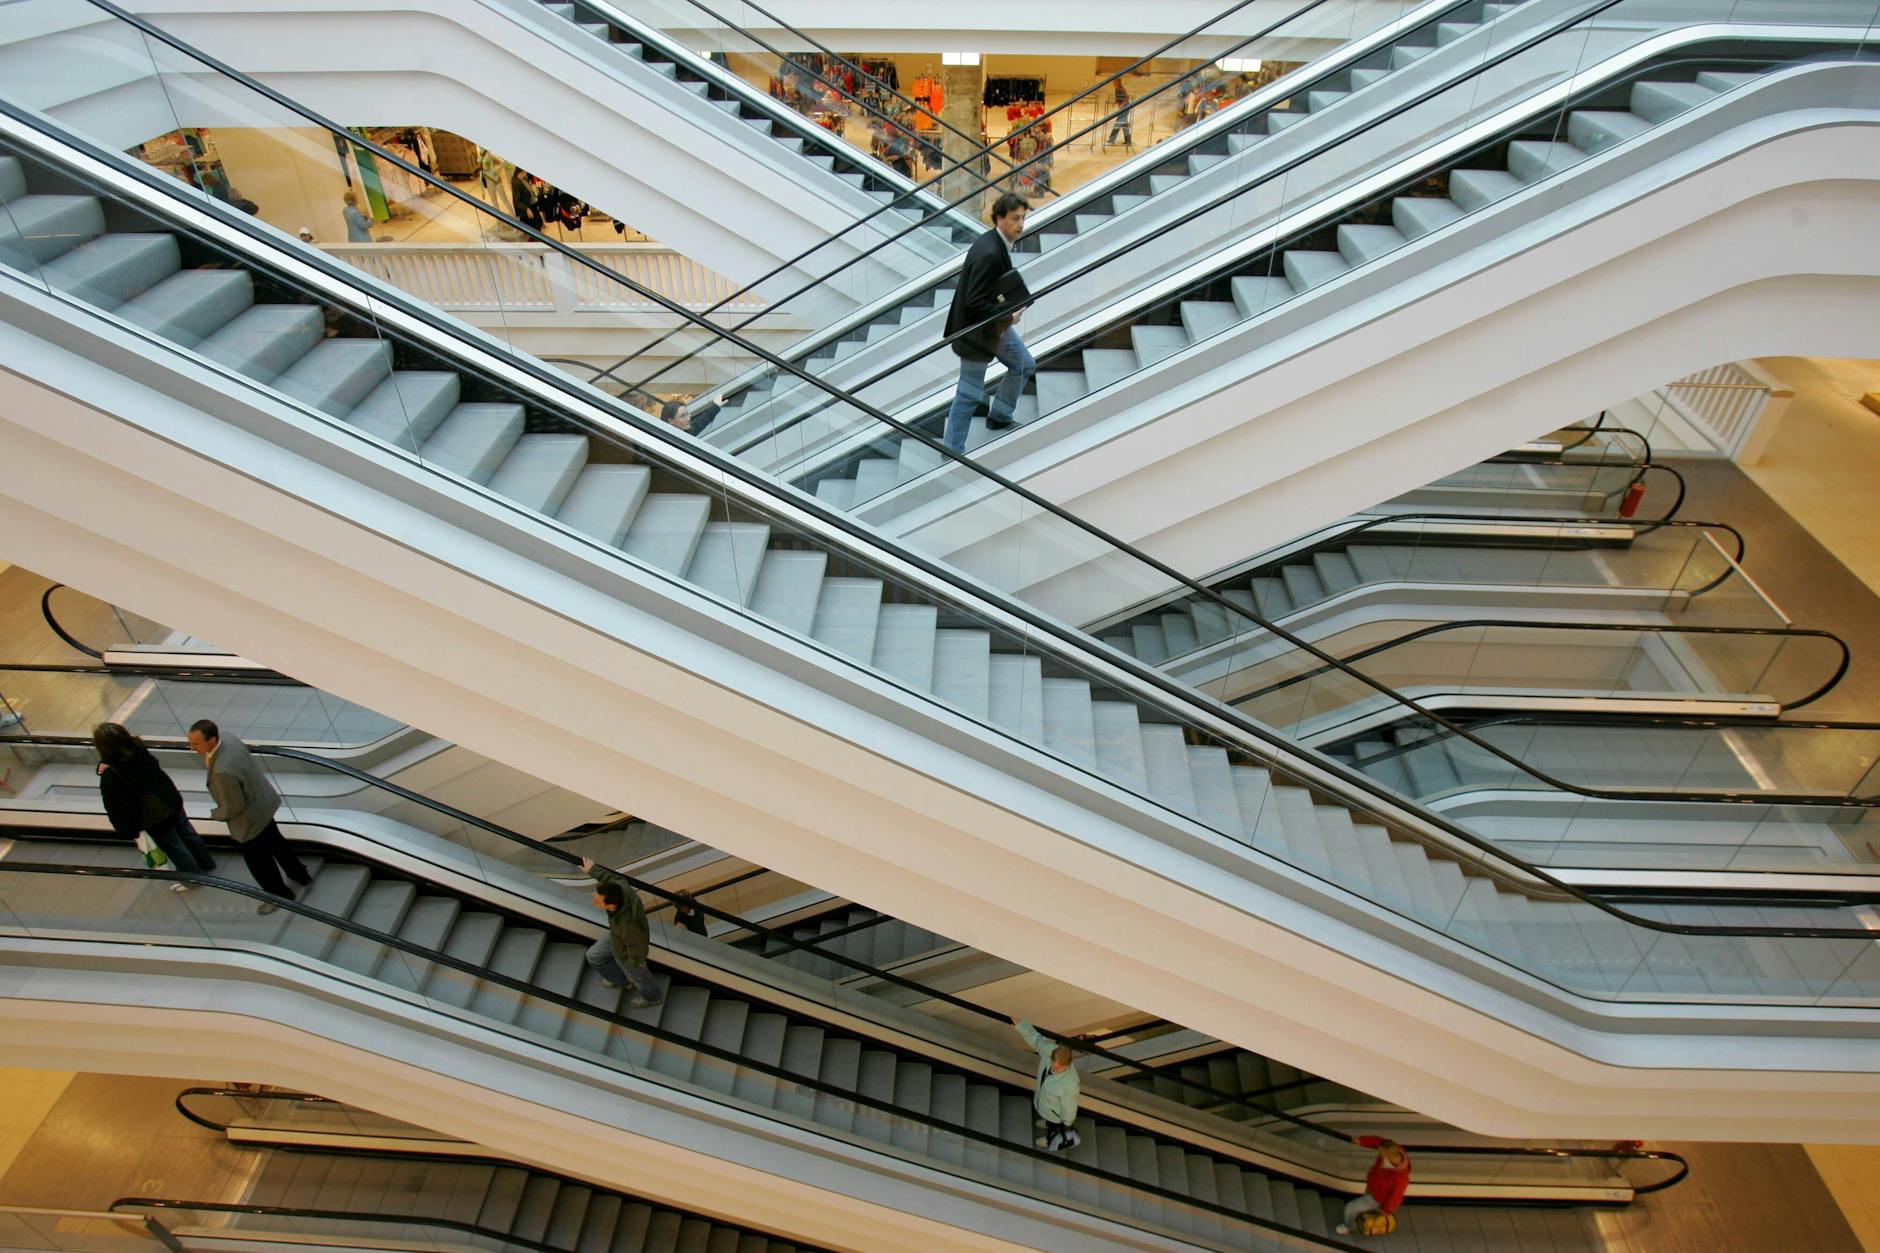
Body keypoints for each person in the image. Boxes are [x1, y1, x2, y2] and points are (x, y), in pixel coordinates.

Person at [941, 192, 1035, 452]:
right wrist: (1008, 316)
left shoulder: (995, 242)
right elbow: (974, 301)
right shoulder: (990, 253)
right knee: (969, 393)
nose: (1021, 224)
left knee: (1024, 364)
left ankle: (1000, 416)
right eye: (1015, 218)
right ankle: (952, 450)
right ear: (999, 218)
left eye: (1023, 218)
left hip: (992, 327)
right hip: (976, 333)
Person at [187, 719, 311, 914]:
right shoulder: (228, 738)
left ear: (211, 741)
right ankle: (301, 875)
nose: (192, 748)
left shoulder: (221, 771)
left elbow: (232, 807)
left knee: (259, 863)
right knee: (277, 843)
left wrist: (216, 814)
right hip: (263, 804)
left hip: (249, 821)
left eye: (196, 744)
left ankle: (280, 896)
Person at [93, 722, 217, 891]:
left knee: (174, 846)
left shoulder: (111, 774)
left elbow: (115, 805)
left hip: (154, 815)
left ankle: (193, 879)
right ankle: (206, 863)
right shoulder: (138, 748)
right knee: (187, 832)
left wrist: (127, 829)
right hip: (170, 798)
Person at [580, 856, 664, 1009]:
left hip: (629, 954)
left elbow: (638, 949)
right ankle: (622, 981)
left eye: (598, 901)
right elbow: (614, 879)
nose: (594, 901)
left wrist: (633, 965)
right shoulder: (621, 888)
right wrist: (593, 870)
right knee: (594, 956)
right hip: (617, 938)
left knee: (640, 979)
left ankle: (653, 999)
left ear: (611, 906)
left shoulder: (627, 926)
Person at [1011, 1014, 1081, 1152]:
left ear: (1066, 1065)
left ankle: (1049, 1139)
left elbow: (1070, 1106)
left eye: (1057, 1067)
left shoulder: (1069, 1084)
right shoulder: (1050, 1052)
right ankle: (1047, 1122)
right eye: (1053, 1064)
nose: (1053, 1068)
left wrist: (1067, 1123)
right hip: (1045, 1104)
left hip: (1055, 1114)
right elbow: (1037, 1040)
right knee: (1049, 1120)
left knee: (1055, 1126)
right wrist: (1020, 1026)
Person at [1336, 1136, 1411, 1235]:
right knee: (1362, 1205)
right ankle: (1364, 1215)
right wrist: (1361, 1141)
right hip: (1373, 1187)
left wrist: (1386, 1210)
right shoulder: (1394, 1150)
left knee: (1350, 1207)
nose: (1379, 1152)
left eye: (1381, 1152)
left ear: (1387, 1154)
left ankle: (1349, 1226)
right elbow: (1379, 1141)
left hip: (1376, 1198)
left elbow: (1396, 1197)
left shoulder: (1400, 1179)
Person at [1107, 80, 1134, 147]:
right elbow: (1118, 98)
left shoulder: (1121, 89)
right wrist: (1115, 102)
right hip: (1122, 109)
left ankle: (1112, 140)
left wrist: (1122, 104)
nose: (1113, 83)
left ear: (1118, 82)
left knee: (1118, 124)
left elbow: (1127, 98)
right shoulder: (1116, 89)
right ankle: (1128, 141)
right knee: (1124, 125)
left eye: (1115, 82)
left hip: (1125, 108)